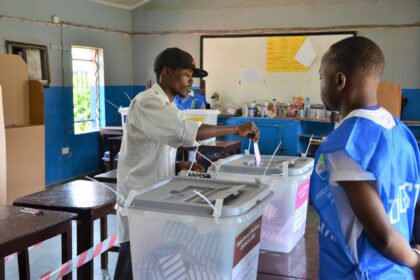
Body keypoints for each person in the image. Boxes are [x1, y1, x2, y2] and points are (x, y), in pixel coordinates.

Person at [114, 47, 259, 279]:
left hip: (156, 200)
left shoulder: (167, 106)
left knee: (150, 261)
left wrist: (176, 167)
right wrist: (235, 128)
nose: (191, 80)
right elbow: (183, 133)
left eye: (193, 74)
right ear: (167, 72)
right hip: (139, 201)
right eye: (186, 73)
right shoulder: (146, 103)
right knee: (133, 261)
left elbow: (156, 147)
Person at [310, 36, 420, 279]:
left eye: (321, 77)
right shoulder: (400, 131)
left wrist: (416, 262)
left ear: (339, 80)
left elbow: (384, 237)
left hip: (363, 272)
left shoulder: (346, 145)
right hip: (399, 269)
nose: (320, 85)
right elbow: (414, 199)